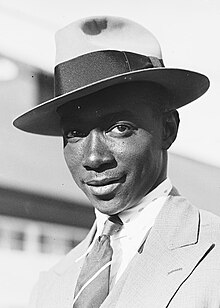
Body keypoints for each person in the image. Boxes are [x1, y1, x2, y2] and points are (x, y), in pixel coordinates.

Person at [13, 16, 220, 308]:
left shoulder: (214, 258)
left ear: (168, 129)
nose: (94, 156)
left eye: (119, 127)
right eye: (75, 133)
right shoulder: (50, 285)